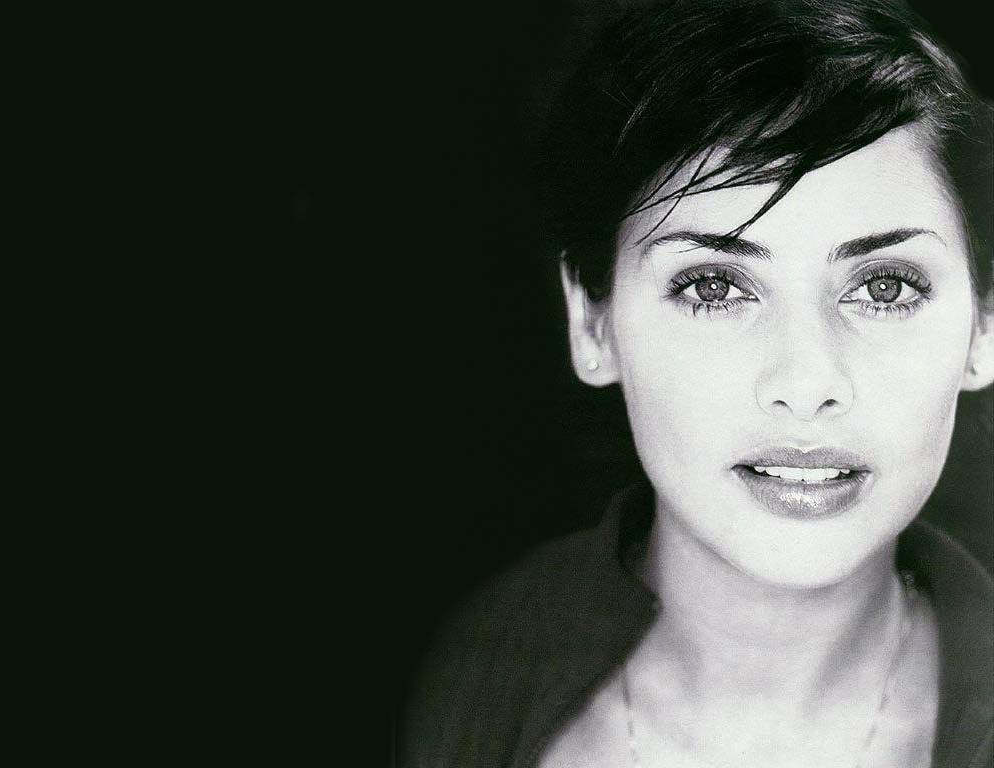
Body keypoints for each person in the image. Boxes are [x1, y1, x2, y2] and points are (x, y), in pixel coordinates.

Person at [400, 1, 994, 766]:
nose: (806, 381)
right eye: (715, 287)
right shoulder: (460, 675)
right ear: (592, 323)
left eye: (884, 288)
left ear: (983, 328)